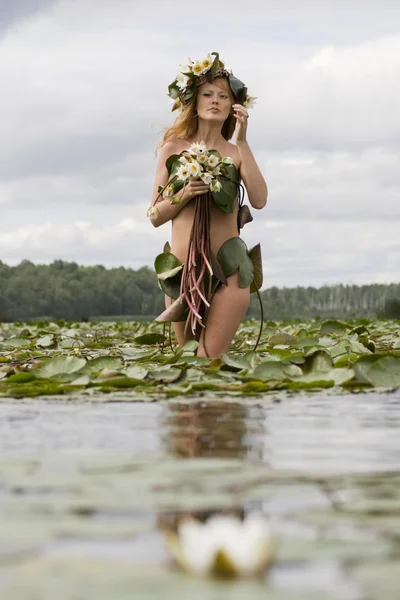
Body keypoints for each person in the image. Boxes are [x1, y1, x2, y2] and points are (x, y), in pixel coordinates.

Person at [148, 53, 268, 358]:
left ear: (233, 106)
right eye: (207, 94)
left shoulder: (236, 151)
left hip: (230, 270)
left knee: (207, 359)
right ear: (194, 102)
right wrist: (185, 193)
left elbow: (259, 199)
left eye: (223, 96)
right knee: (188, 361)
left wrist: (243, 142)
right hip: (182, 272)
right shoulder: (172, 148)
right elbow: (154, 216)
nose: (215, 101)